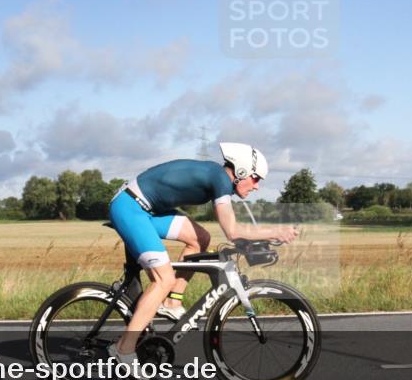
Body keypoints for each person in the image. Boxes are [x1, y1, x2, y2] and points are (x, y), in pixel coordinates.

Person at [106, 142, 298, 365]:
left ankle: (172, 303)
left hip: (147, 210)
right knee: (163, 279)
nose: (257, 186)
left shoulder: (218, 178)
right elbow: (233, 232)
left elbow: (232, 230)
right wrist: (276, 230)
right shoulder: (220, 179)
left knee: (201, 239)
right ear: (242, 171)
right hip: (131, 208)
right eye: (256, 179)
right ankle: (123, 349)